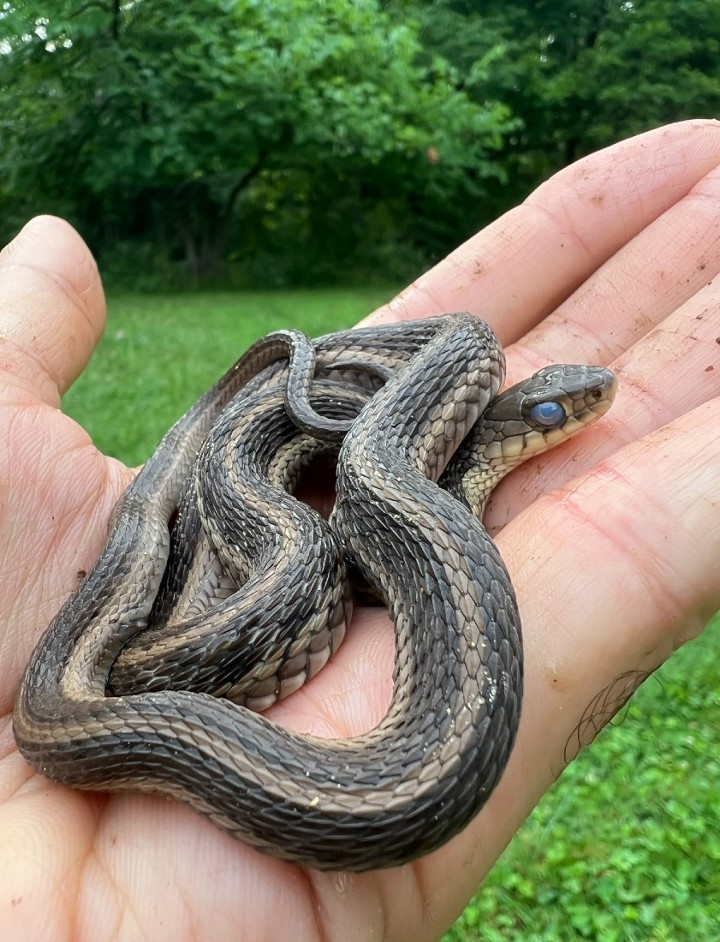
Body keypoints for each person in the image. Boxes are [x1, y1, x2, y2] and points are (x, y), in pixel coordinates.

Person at [0, 119, 718, 941]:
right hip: (257, 549)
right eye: (559, 409)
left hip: (353, 494)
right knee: (297, 544)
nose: (585, 405)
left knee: (338, 522)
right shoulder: (367, 476)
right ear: (507, 425)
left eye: (558, 400)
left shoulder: (416, 461)